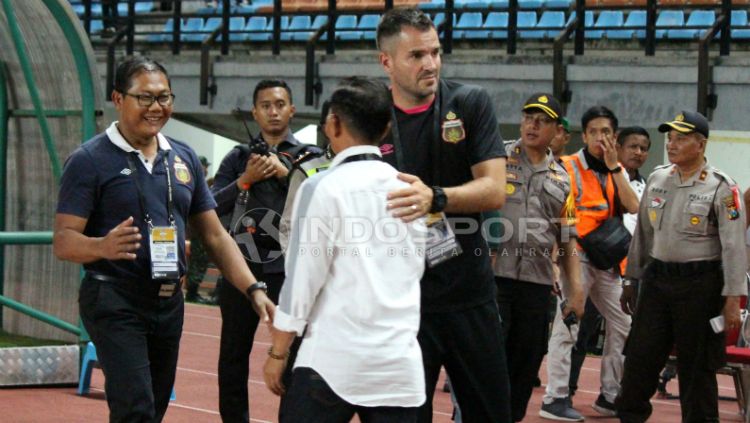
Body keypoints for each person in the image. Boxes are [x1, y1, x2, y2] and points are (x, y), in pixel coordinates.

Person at [53, 57, 273, 423]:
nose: (157, 108)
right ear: (118, 98)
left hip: (169, 303)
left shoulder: (182, 156)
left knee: (153, 409)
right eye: (145, 98)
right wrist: (102, 247)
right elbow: (63, 241)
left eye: (164, 97)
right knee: (135, 409)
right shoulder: (89, 160)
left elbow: (216, 236)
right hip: (115, 299)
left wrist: (254, 290)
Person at [263, 76, 426, 422]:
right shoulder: (411, 189)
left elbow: (301, 283)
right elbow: (417, 268)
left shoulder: (322, 187)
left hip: (332, 359)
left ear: (332, 123)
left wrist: (279, 353)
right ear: (385, 129)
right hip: (397, 364)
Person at [376, 8, 511, 422]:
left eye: (435, 52)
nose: (430, 64)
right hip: (401, 303)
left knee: (491, 414)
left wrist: (435, 198)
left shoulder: (468, 103)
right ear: (387, 62)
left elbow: (493, 189)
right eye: (416, 55)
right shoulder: (371, 115)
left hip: (468, 294)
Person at [615, 111, 748, 422]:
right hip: (658, 282)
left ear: (700, 145)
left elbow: (733, 247)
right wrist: (630, 279)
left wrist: (732, 300)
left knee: (697, 369)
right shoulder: (658, 179)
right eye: (670, 138)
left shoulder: (722, 189)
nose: (672, 144)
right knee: (639, 360)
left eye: (681, 138)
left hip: (700, 286)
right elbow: (643, 238)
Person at [211, 79, 318, 423]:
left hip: (291, 272)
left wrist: (290, 177)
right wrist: (246, 179)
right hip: (243, 270)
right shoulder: (239, 157)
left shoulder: (311, 157)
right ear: (255, 112)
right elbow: (208, 208)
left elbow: (324, 206)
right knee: (232, 356)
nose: (273, 111)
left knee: (297, 358)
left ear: (292, 110)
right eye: (266, 105)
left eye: (280, 104)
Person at [541, 106, 639, 421]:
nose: (601, 138)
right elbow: (554, 217)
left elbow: (633, 205)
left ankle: (610, 396)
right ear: (584, 136)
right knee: (568, 323)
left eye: (607, 132)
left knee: (623, 325)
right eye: (594, 131)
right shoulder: (566, 166)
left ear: (615, 137)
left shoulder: (616, 169)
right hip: (576, 255)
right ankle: (555, 398)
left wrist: (614, 168)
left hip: (607, 261)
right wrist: (558, 264)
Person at [494, 93, 585, 422]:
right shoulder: (496, 157)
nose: (533, 124)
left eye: (543, 120)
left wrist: (576, 289)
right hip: (494, 278)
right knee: (488, 364)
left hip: (535, 284)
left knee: (525, 363)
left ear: (557, 129)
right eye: (529, 116)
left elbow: (567, 237)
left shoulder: (563, 178)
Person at [568, 126, 651, 397]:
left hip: (624, 270)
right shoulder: (601, 177)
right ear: (617, 147)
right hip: (590, 260)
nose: (638, 152)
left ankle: (610, 394)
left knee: (621, 333)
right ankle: (564, 391)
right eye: (633, 146)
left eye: (643, 148)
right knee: (580, 331)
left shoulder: (646, 185)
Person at [185, 156, 216, 304]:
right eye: (205, 166)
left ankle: (193, 290)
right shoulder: (190, 180)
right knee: (198, 261)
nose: (206, 170)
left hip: (200, 230)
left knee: (200, 261)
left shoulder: (204, 183)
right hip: (197, 230)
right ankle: (192, 291)